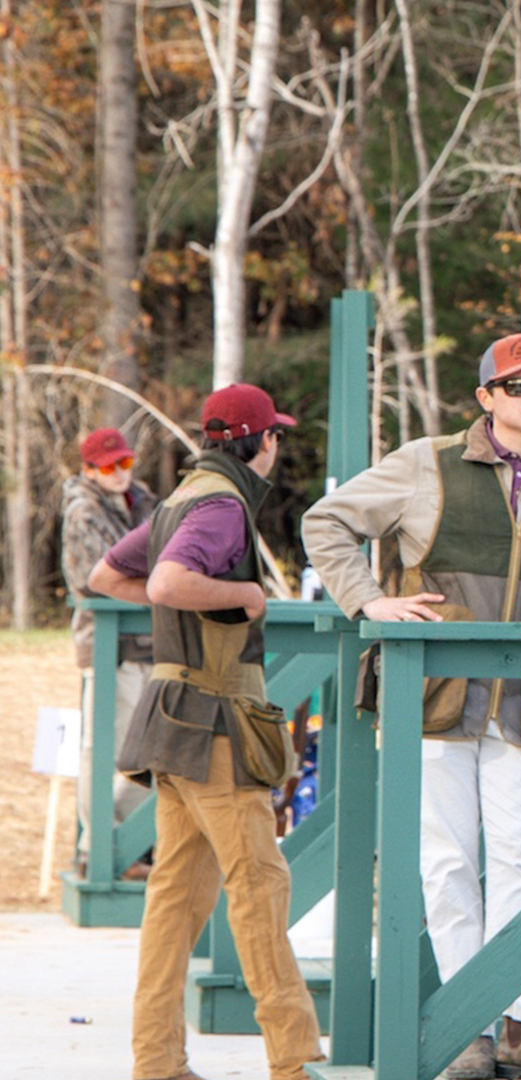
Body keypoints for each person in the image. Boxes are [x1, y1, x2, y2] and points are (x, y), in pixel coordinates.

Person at [302, 332, 521, 1080]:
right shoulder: (425, 463)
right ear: (485, 398)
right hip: (434, 695)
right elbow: (326, 522)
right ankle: (472, 1026)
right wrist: (370, 600)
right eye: (516, 384)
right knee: (446, 863)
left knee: (518, 861)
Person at [89, 384, 322, 1080]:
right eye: (274, 434)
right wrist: (243, 598)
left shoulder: (180, 499)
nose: (277, 445)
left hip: (174, 723)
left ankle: (158, 1063)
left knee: (174, 904)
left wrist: (199, 605)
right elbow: (165, 584)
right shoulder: (222, 505)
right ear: (261, 441)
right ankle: (296, 1062)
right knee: (258, 889)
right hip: (216, 723)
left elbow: (108, 576)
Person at [61, 426, 157, 873]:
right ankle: (98, 850)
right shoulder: (83, 512)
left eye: (125, 462)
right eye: (107, 466)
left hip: (148, 642)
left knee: (146, 749)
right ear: (88, 469)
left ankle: (132, 844)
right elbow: (97, 577)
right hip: (108, 645)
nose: (119, 473)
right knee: (103, 750)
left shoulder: (144, 500)